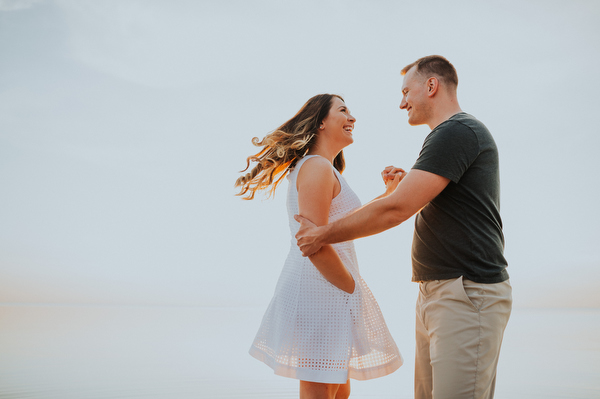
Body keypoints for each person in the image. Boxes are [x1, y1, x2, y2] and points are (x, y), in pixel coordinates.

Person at [295, 56, 512, 399]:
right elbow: (401, 202)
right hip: (439, 293)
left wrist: (322, 234)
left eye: (406, 92)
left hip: (467, 292)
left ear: (431, 86)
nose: (401, 103)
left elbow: (397, 210)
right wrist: (393, 192)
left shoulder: (457, 131)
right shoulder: (447, 136)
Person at [235, 94, 403, 399]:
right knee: (323, 392)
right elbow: (312, 244)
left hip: (330, 289)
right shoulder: (316, 167)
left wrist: (388, 195)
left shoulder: (325, 168)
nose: (352, 118)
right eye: (343, 110)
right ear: (321, 121)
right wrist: (351, 288)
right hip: (320, 292)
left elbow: (337, 226)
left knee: (339, 391)